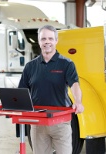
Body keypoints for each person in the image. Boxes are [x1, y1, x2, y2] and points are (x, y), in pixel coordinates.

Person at [18, 25, 84, 154]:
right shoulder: (30, 66)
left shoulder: (66, 64)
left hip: (60, 122)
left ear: (56, 41)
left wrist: (78, 101)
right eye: (43, 39)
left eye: (50, 38)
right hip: (38, 123)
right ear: (39, 41)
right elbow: (22, 91)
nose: (47, 41)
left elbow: (74, 85)